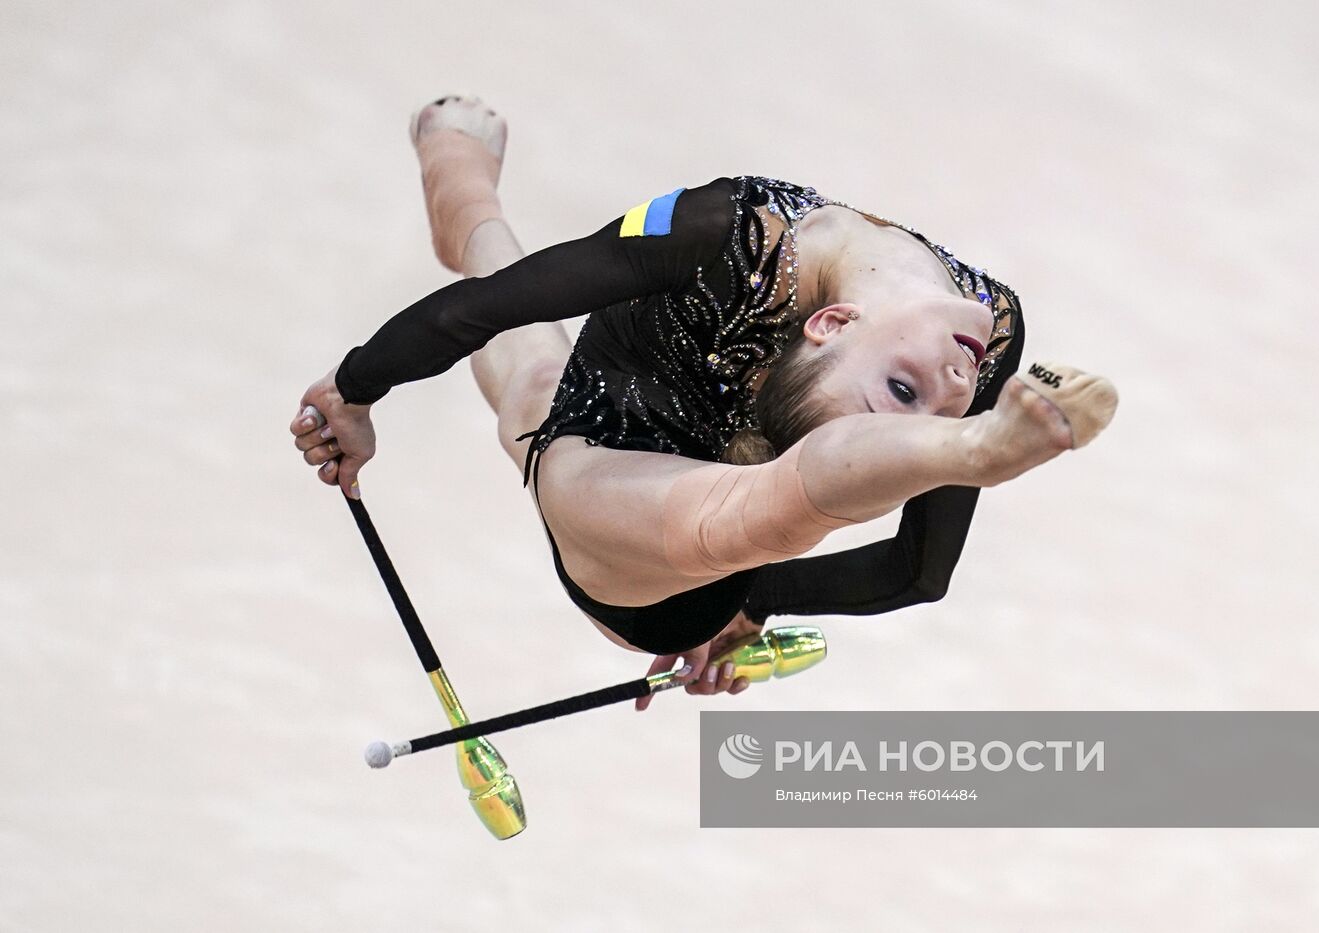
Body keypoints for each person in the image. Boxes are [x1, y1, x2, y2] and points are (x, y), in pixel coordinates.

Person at [290, 95, 1117, 708]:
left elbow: (917, 568)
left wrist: (753, 600)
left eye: (917, 401)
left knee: (727, 490)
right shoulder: (723, 234)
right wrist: (359, 385)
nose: (957, 390)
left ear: (833, 325)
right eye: (917, 403)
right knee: (533, 378)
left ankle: (982, 452)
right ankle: (464, 204)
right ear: (829, 321)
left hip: (642, 539)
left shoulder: (743, 245)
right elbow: (496, 304)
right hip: (604, 454)